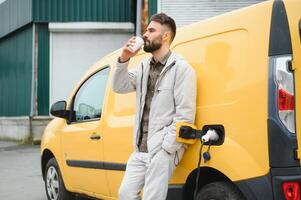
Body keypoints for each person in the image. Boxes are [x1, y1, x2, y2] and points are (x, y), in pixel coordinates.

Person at [112, 13, 196, 200]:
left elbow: (185, 116)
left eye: (151, 30)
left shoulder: (182, 69)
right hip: (140, 149)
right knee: (125, 194)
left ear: (165, 36)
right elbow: (119, 86)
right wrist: (124, 58)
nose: (145, 35)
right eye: (146, 31)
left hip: (161, 149)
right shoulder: (143, 67)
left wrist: (165, 149)